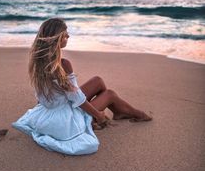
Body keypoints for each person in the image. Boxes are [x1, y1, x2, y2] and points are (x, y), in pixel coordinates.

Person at [12, 18, 152, 155]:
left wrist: (41, 112)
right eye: (65, 34)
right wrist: (99, 115)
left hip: (49, 111)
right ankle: (138, 114)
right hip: (64, 118)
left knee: (98, 81)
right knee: (110, 94)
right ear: (56, 39)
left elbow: (43, 96)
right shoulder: (63, 65)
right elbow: (76, 98)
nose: (68, 36)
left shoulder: (37, 63)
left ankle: (118, 112)